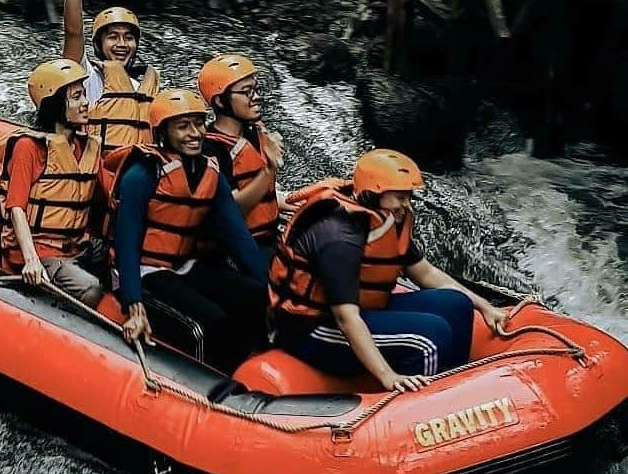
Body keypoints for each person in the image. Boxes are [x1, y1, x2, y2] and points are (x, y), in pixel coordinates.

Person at [268, 149, 510, 392]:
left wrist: (485, 306)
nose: (406, 205)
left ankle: (455, 389)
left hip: (360, 311)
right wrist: (388, 376)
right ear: (373, 193)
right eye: (399, 197)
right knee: (430, 338)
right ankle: (427, 411)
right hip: (312, 328)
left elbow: (425, 273)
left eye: (408, 197)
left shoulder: (386, 218)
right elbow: (346, 318)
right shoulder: (339, 236)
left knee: (456, 304)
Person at [107, 88, 268, 373]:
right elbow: (127, 243)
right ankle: (217, 382)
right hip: (144, 271)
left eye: (198, 124)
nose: (194, 133)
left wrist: (269, 291)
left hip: (184, 264)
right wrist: (134, 303)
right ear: (164, 132)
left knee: (253, 294)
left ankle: (257, 366)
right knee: (212, 321)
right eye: (183, 126)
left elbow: (238, 238)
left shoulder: (210, 173)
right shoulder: (142, 174)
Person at [0, 59, 104, 307]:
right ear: (54, 106)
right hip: (41, 250)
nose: (86, 103)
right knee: (91, 289)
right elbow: (15, 207)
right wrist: (32, 260)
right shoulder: (29, 147)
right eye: (76, 97)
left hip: (76, 246)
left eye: (84, 95)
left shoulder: (87, 146)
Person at [61, 0, 160, 151]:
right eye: (113, 36)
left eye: (128, 37)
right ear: (99, 44)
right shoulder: (87, 78)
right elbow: (73, 32)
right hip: (99, 165)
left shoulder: (145, 87)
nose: (122, 44)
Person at [198, 54, 294, 257]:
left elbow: (261, 193)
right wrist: (270, 169)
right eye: (246, 92)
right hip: (235, 248)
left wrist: (294, 203)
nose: (256, 97)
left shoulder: (255, 133)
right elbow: (232, 211)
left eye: (256, 89)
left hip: (268, 234)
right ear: (221, 102)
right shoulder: (209, 149)